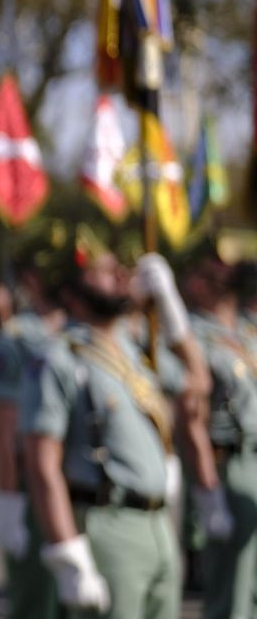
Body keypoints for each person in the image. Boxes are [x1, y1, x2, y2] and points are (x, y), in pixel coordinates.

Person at [22, 234, 213, 618]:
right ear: (73, 294)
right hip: (108, 524)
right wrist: (67, 552)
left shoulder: (137, 351)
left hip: (159, 525)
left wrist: (169, 307)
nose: (120, 275)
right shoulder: (60, 359)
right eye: (103, 271)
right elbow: (43, 464)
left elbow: (198, 379)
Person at [0, 237, 66, 619]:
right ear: (33, 279)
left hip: (82, 490)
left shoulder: (85, 335)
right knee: (37, 603)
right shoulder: (15, 339)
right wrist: (8, 503)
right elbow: (4, 429)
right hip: (33, 487)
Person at [182, 238, 255, 619]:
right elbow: (191, 415)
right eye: (216, 266)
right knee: (233, 595)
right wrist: (209, 489)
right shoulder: (191, 337)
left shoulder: (246, 328)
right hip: (232, 463)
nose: (228, 272)